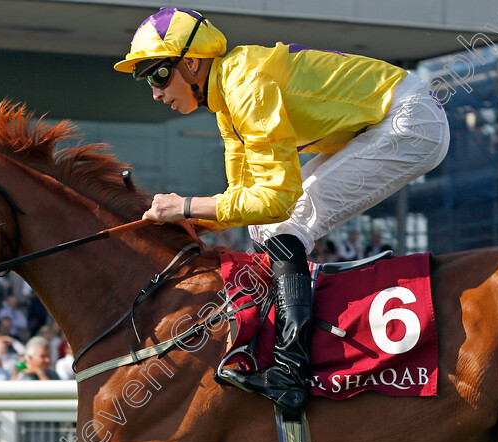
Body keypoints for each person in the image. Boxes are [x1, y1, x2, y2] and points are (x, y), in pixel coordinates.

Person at [115, 7, 449, 417]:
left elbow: (276, 200)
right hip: (388, 119)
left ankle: (290, 373)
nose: (155, 91)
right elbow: (244, 197)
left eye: (158, 75)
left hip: (408, 121)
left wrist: (184, 204)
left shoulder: (246, 85)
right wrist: (191, 216)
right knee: (264, 228)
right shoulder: (227, 99)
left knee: (284, 221)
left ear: (191, 62)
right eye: (147, 80)